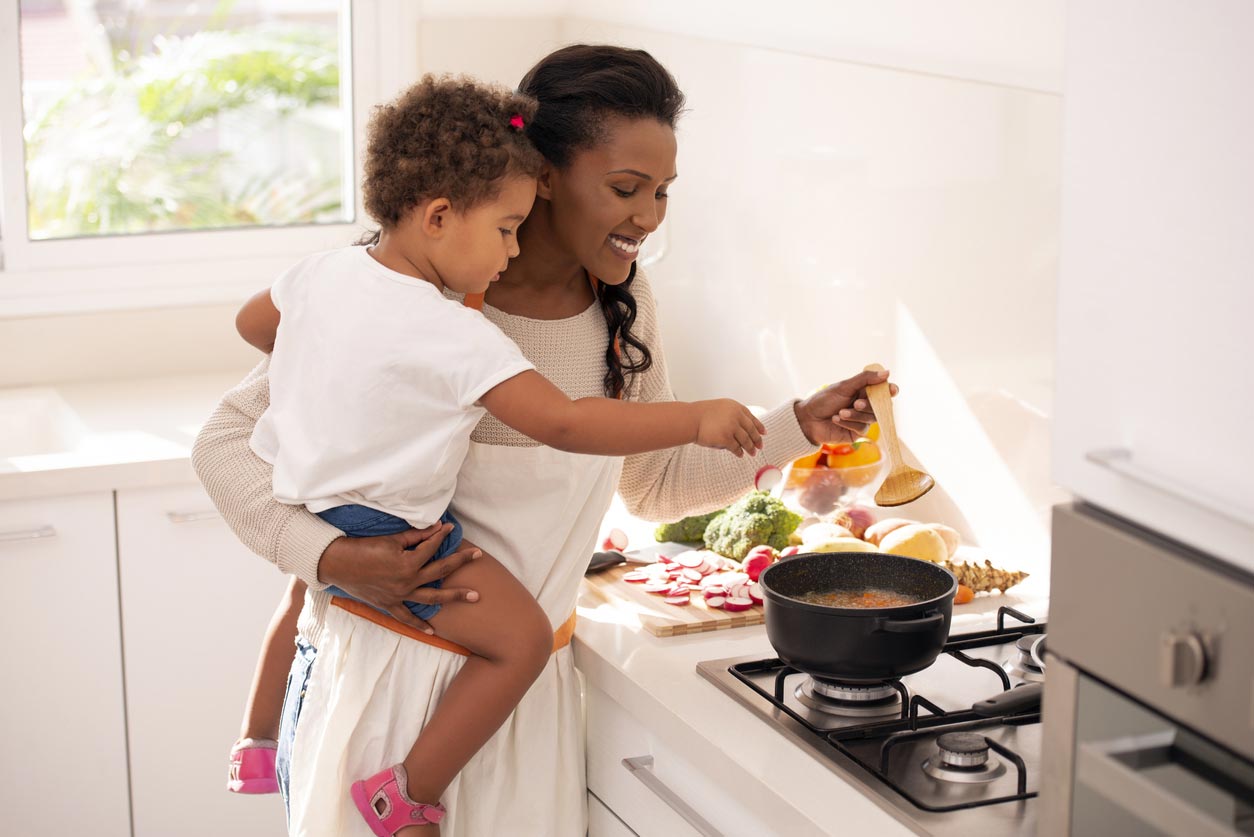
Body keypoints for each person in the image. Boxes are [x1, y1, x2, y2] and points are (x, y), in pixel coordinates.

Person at [193, 44, 895, 836]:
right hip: (384, 688)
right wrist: (325, 556)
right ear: (545, 175)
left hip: (521, 698)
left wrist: (793, 423)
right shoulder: (409, 295)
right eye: (626, 189)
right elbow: (224, 441)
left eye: (662, 192)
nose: (650, 216)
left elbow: (654, 483)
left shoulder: (619, 303)